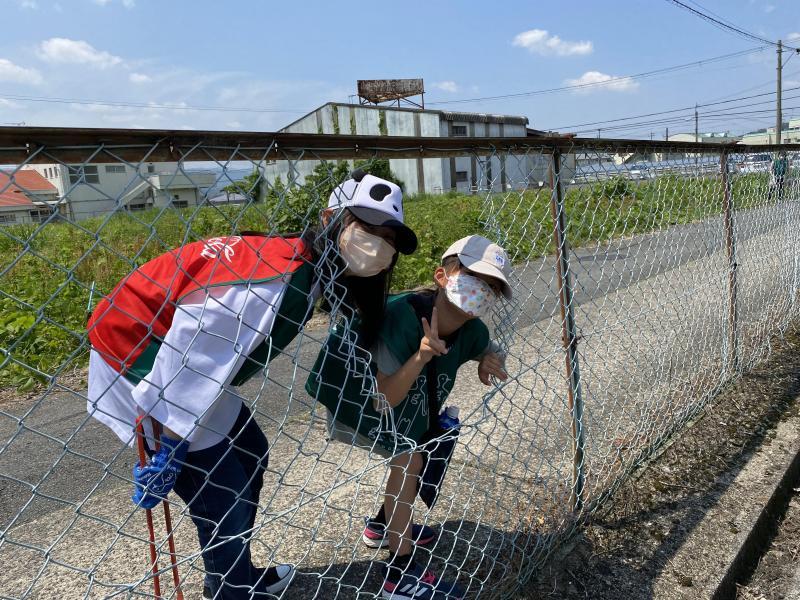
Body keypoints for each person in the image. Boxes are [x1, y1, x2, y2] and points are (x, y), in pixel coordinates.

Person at [86, 170, 417, 600]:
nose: (379, 245)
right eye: (367, 227)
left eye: (389, 238)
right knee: (221, 490)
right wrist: (168, 445)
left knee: (251, 453)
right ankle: (229, 590)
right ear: (331, 218)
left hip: (186, 365)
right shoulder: (274, 278)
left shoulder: (307, 269)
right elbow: (189, 348)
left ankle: (233, 573)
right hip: (142, 357)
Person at [307, 235, 511, 600]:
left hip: (407, 405)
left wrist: (488, 361)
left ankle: (382, 525)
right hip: (361, 397)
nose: (480, 290)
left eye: (491, 287)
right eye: (473, 277)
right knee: (410, 458)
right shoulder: (402, 319)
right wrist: (421, 356)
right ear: (441, 276)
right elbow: (383, 397)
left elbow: (489, 350)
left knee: (419, 451)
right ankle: (399, 574)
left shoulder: (472, 329)